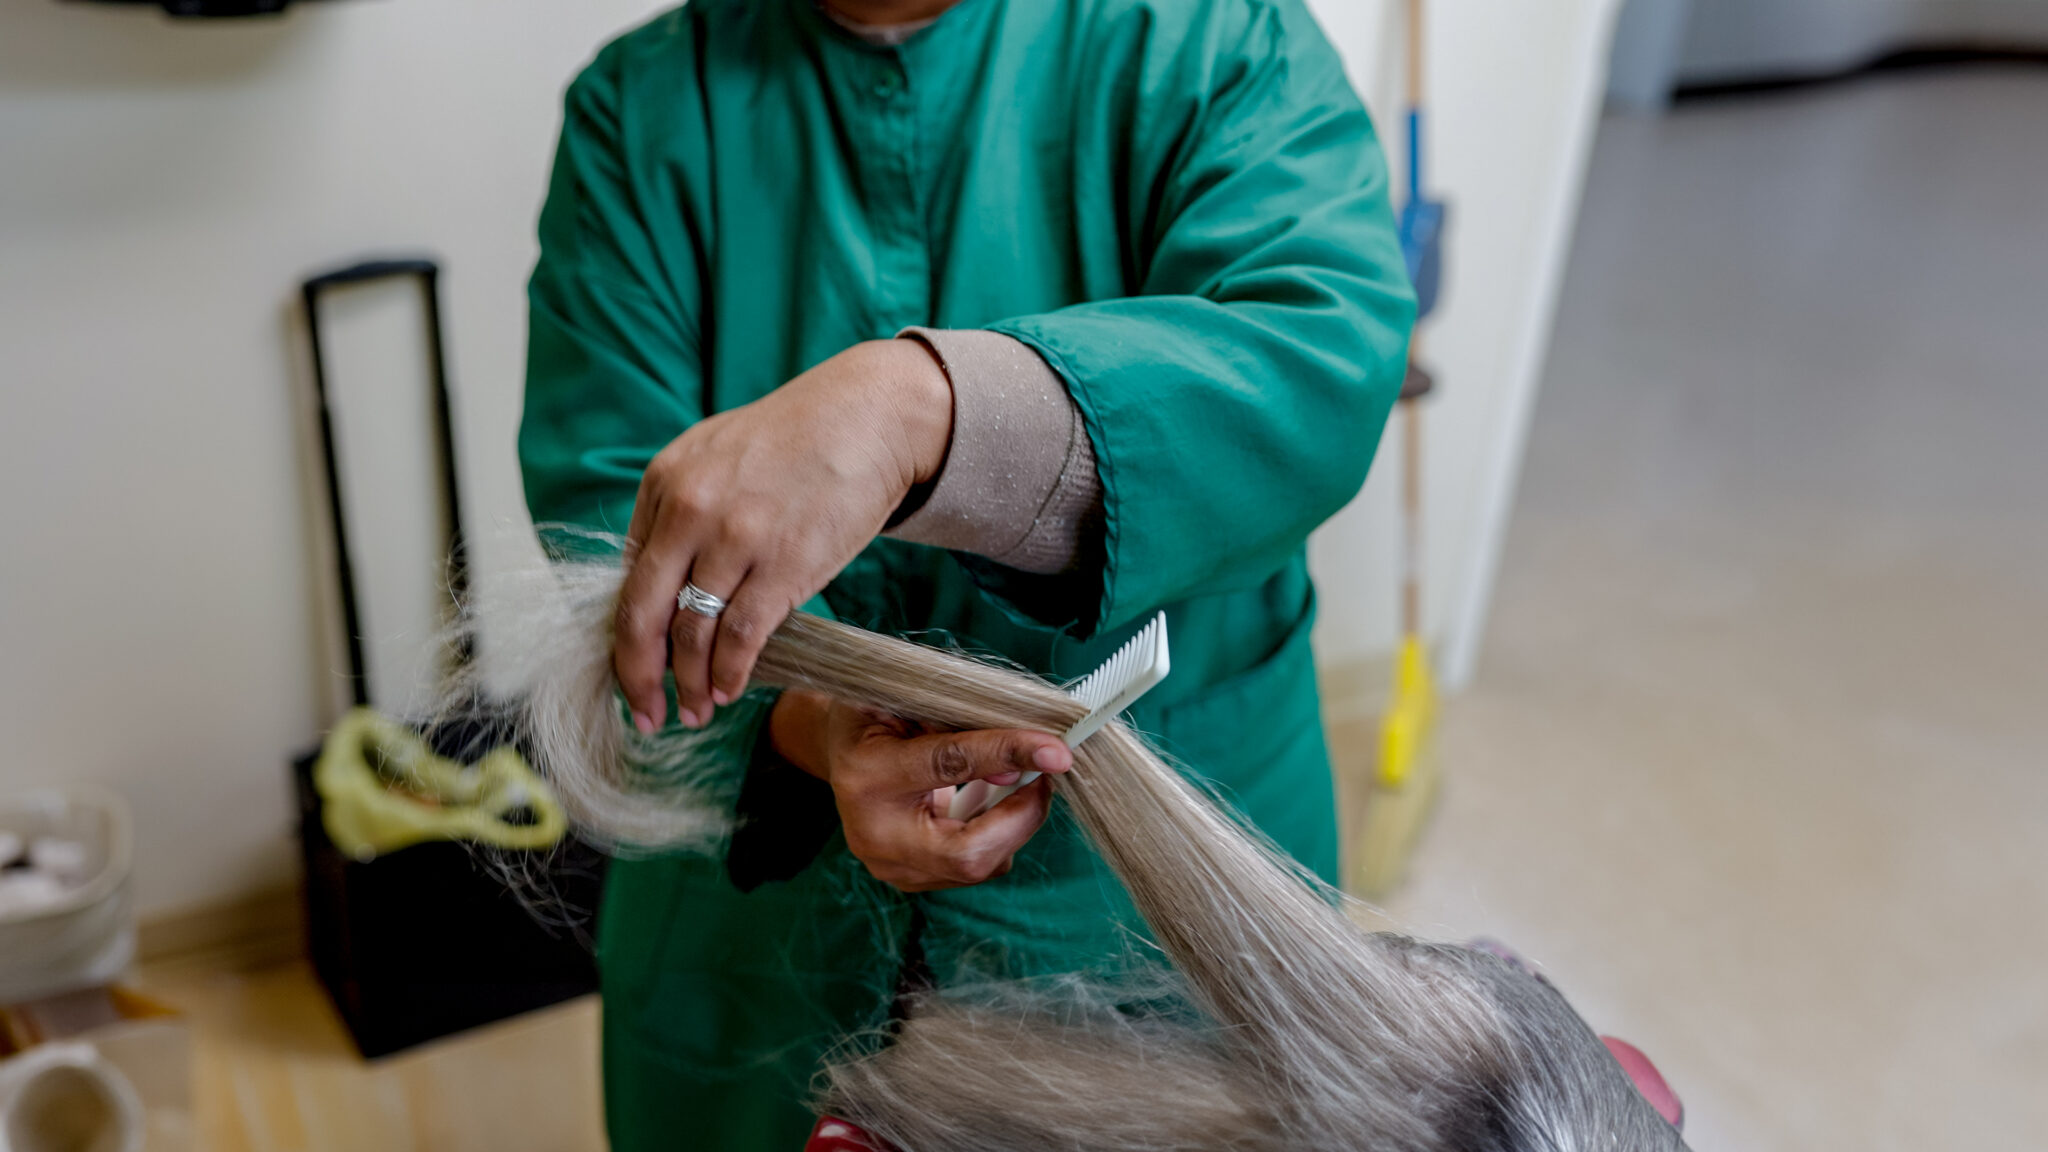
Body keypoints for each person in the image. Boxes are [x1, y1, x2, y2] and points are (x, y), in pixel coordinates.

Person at [518, 0, 1414, 1146]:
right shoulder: (641, 114)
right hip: (767, 934)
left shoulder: (1209, 36)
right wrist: (812, 728)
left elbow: (1313, 363)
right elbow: (605, 530)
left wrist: (928, 409)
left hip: (1150, 912)